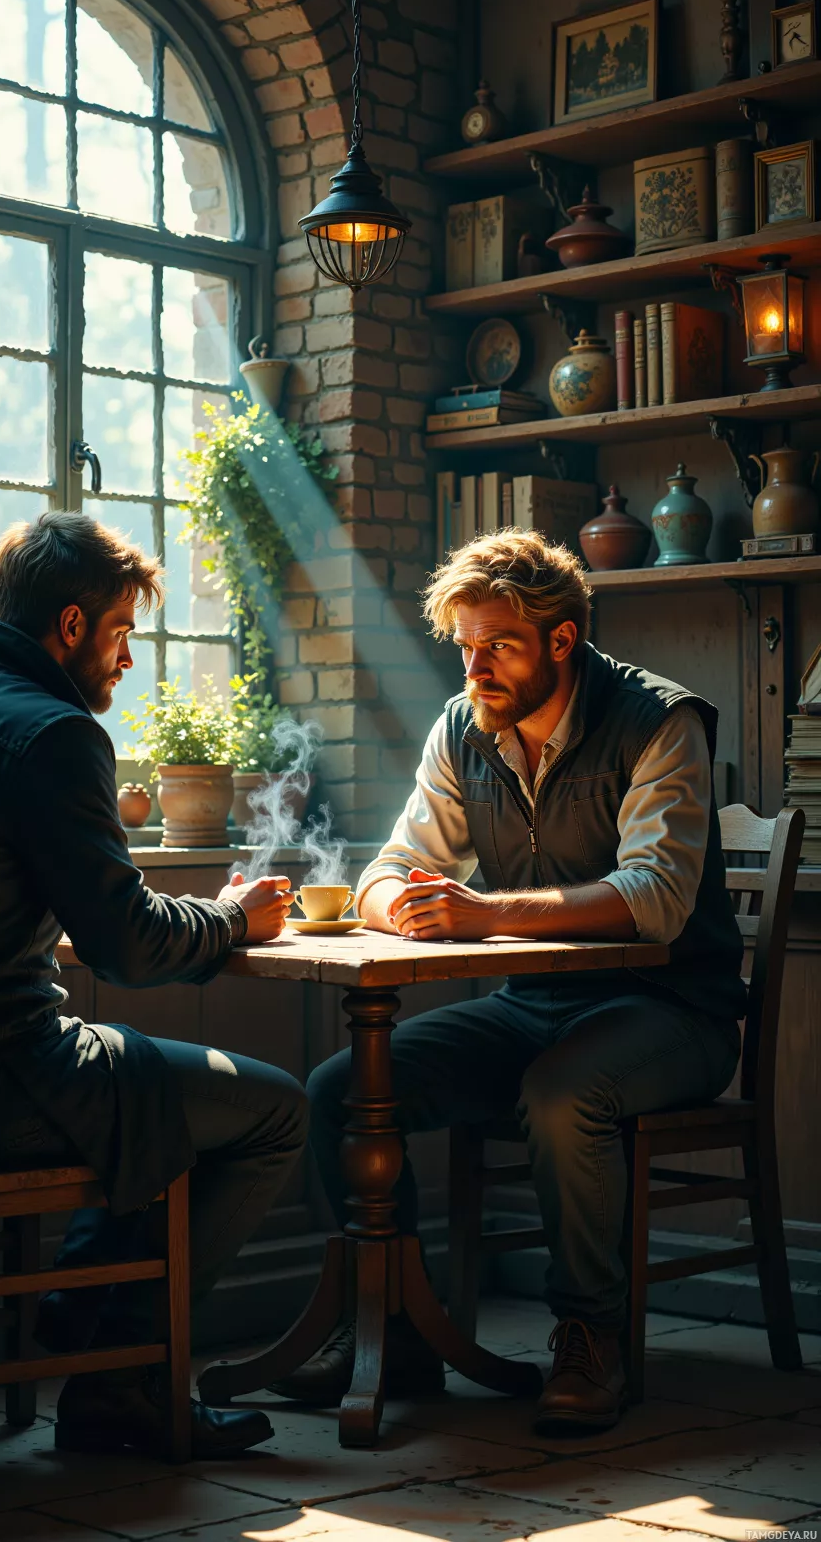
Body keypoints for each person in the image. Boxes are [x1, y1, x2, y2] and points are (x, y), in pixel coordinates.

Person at [0, 511, 307, 1459]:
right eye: (122, 632)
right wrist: (234, 920)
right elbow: (128, 949)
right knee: (273, 1111)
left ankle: (86, 1328)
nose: (128, 658)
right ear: (67, 627)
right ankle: (122, 1381)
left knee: (147, 1086)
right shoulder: (53, 735)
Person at [277, 528, 745, 1433]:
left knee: (562, 1092)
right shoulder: (465, 727)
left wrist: (483, 913)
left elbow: (654, 900)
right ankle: (397, 1329)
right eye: (464, 645)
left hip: (675, 1010)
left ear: (562, 641)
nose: (475, 666)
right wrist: (391, 901)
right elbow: (396, 864)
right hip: (532, 1004)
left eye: (499, 645)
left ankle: (590, 1338)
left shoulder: (660, 722)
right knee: (341, 1090)